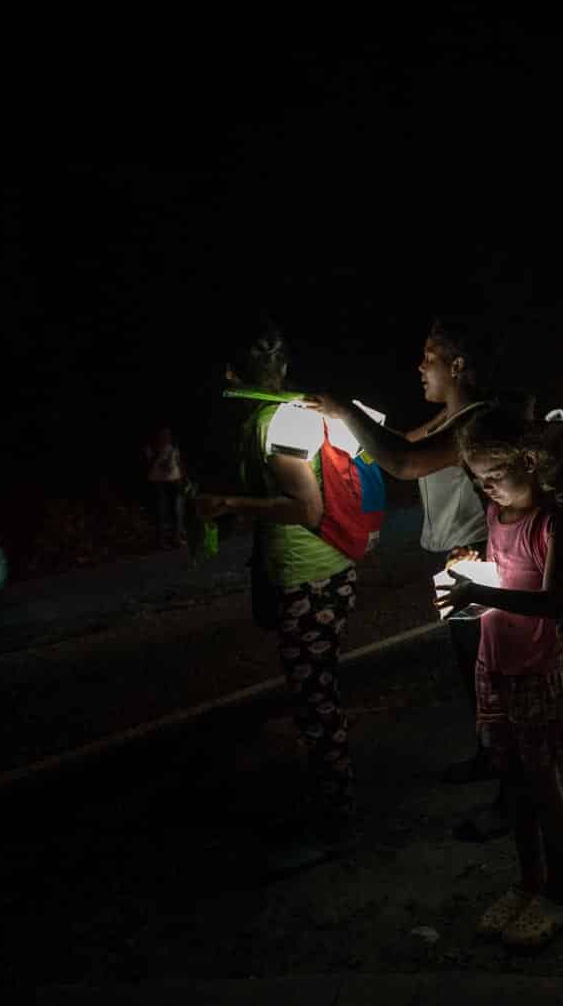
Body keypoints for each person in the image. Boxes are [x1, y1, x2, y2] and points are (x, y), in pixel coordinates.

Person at [304, 319, 507, 840]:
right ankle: (491, 759)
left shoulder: (476, 423)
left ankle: (514, 797)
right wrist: (340, 428)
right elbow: (388, 448)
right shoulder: (449, 419)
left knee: (496, 679)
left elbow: (404, 460)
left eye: (429, 356)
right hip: (454, 559)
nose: (419, 367)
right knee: (473, 673)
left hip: (483, 561)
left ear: (456, 366)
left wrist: (345, 411)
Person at [433, 405, 563, 949]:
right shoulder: (496, 515)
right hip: (494, 663)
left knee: (543, 784)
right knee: (511, 779)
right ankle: (527, 882)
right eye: (479, 479)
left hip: (535, 670)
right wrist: (472, 565)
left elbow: (552, 601)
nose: (488, 489)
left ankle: (558, 891)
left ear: (529, 463)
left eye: (495, 476)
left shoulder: (552, 521)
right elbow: (503, 568)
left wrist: (477, 592)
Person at [197, 323, 362, 870]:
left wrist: (231, 505)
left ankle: (334, 823)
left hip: (309, 577)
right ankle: (327, 804)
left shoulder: (275, 422)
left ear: (231, 375)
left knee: (316, 700)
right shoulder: (296, 410)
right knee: (318, 693)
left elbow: (307, 508)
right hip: (324, 572)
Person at [142, 426, 186, 549]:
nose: (165, 437)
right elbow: (148, 464)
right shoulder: (151, 448)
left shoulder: (174, 447)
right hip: (158, 482)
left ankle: (176, 538)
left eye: (167, 434)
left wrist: (183, 477)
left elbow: (179, 462)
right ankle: (161, 541)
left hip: (175, 480)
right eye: (162, 434)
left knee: (177, 511)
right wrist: (159, 455)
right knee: (161, 511)